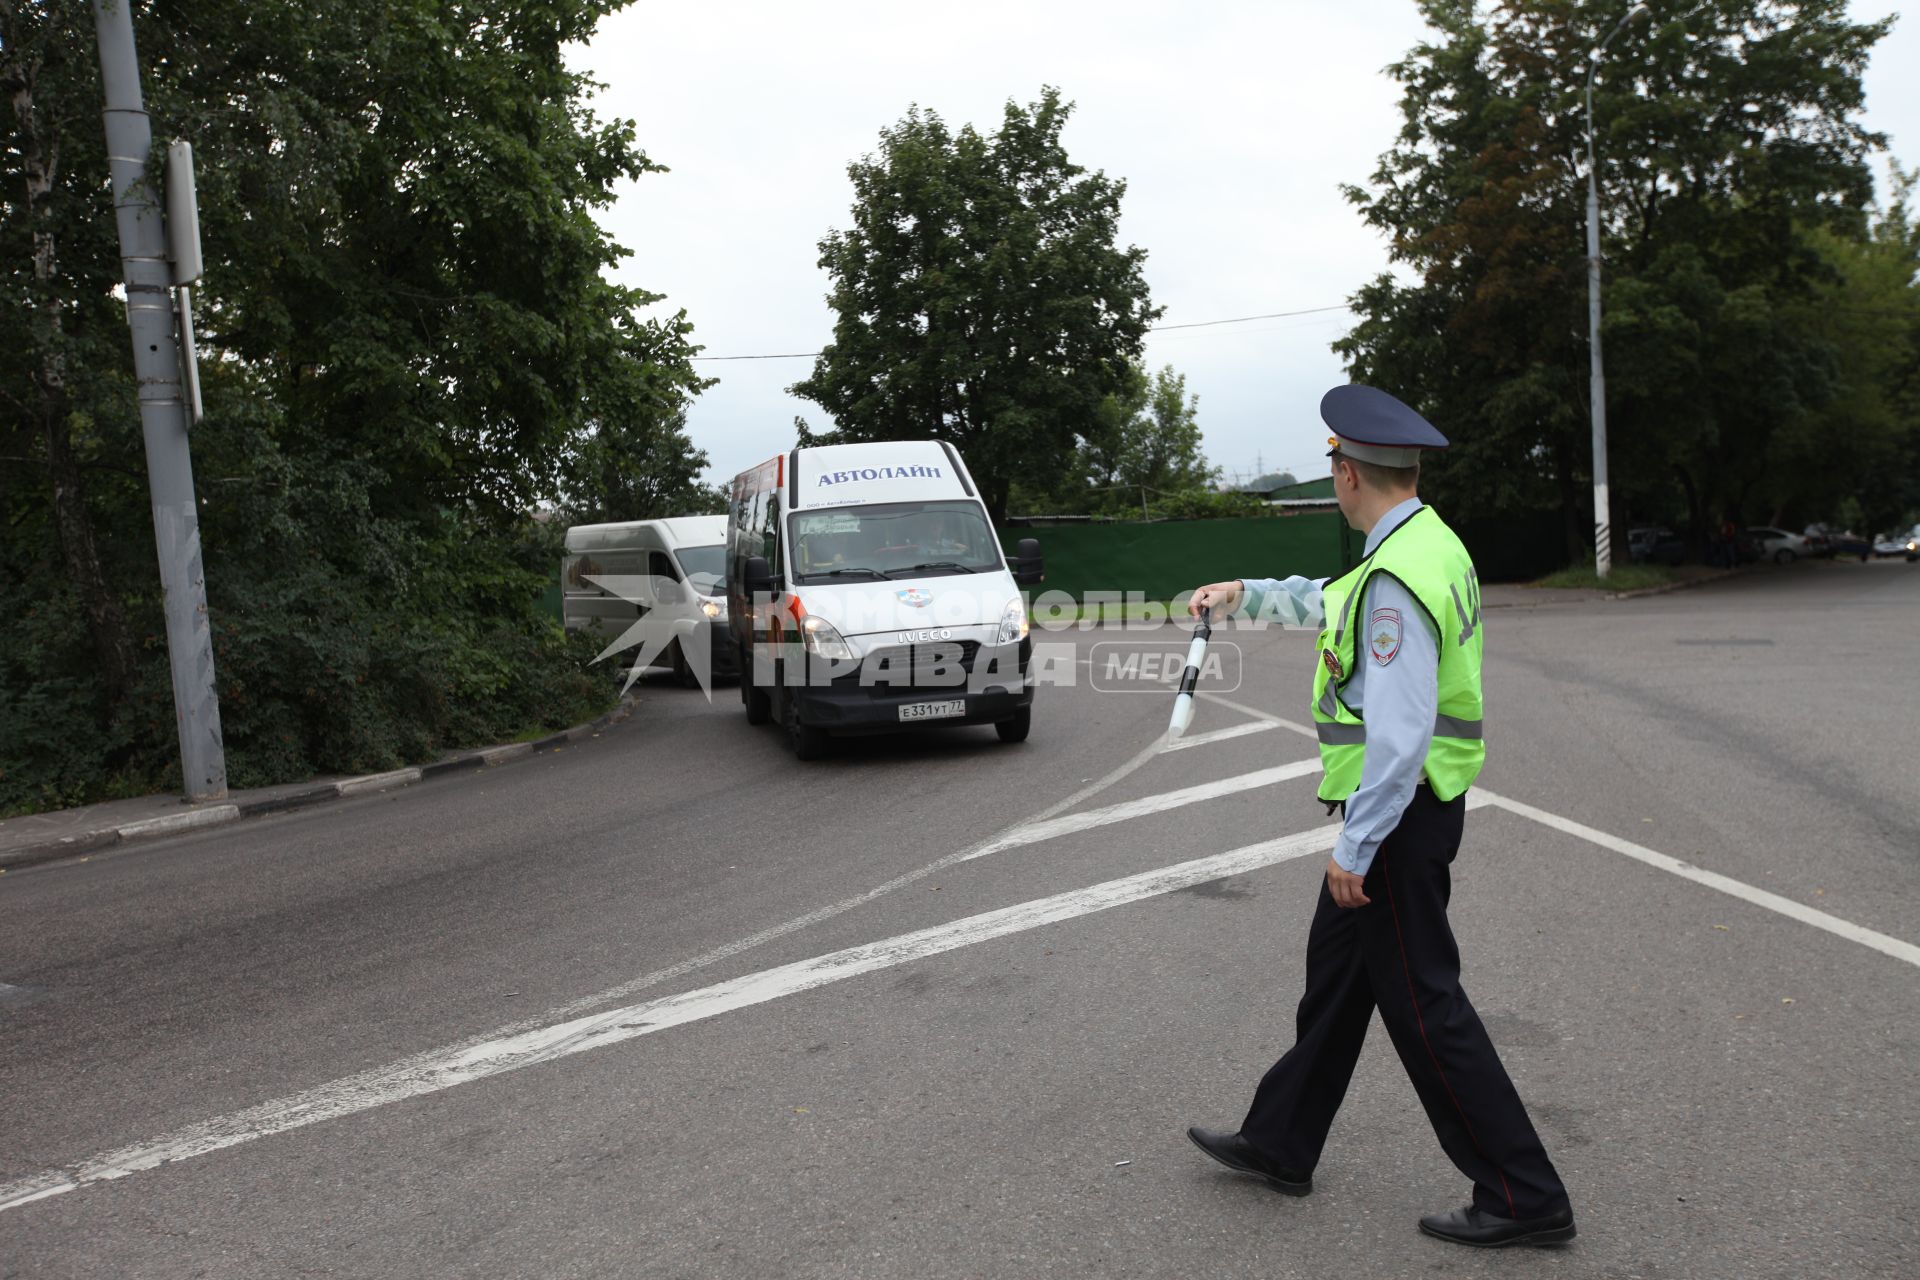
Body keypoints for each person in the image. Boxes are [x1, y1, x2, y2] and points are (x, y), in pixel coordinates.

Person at [1182, 384, 1575, 1249]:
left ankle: (1524, 1193)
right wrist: (1243, 591)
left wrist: (1355, 847)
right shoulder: (1423, 545)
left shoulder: (1396, 576)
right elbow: (1332, 601)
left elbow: (1400, 739)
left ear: (1349, 473)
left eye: (1334, 471)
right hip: (1408, 813)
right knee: (1336, 980)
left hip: (1397, 819)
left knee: (1427, 1008)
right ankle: (1282, 1141)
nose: (1334, 485)